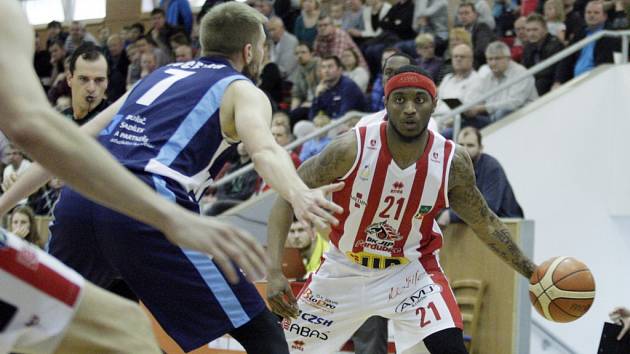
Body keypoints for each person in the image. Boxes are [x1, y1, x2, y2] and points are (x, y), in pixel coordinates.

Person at [0, 1, 337, 353]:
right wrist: (298, 192)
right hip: (148, 203)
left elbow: (70, 143)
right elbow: (265, 150)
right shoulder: (241, 89)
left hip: (80, 199)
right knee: (262, 331)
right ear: (250, 50)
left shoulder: (158, 76)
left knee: (90, 330)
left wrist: (4, 203)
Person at [266, 65, 538, 354]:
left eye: (419, 100)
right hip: (343, 269)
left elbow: (486, 223)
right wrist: (273, 271)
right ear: (385, 104)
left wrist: (532, 273)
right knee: (278, 347)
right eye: (400, 99)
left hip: (410, 274)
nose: (409, 108)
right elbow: (286, 194)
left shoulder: (451, 162)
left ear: (434, 105)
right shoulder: (350, 149)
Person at [437, 127, 523, 227]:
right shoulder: (454, 167)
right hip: (477, 227)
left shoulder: (492, 167)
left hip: (508, 226)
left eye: (470, 145)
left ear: (480, 148)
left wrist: (451, 215)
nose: (464, 150)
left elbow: (488, 208)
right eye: (461, 145)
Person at [62, 43, 110, 126]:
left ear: (107, 82)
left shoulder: (117, 122)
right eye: (83, 79)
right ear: (69, 79)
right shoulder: (59, 122)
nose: (91, 88)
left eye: (99, 80)